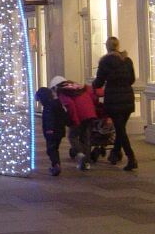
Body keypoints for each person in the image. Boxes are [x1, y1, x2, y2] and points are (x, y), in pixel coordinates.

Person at [93, 36, 137, 170]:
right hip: (128, 99)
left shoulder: (105, 62)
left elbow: (99, 82)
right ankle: (115, 152)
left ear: (107, 47)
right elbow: (132, 79)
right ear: (118, 46)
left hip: (114, 100)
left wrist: (94, 86)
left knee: (120, 130)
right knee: (120, 129)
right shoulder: (127, 60)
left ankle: (131, 158)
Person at [55, 79, 98, 171]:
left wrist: (74, 120)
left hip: (79, 115)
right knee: (86, 138)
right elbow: (93, 97)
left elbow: (70, 104)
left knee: (72, 136)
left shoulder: (62, 91)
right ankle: (86, 163)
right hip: (90, 114)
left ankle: (80, 154)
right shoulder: (79, 87)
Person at [36, 79, 69, 176]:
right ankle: (56, 164)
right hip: (59, 131)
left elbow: (49, 118)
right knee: (55, 148)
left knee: (51, 149)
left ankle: (56, 165)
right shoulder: (57, 103)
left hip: (51, 132)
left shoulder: (48, 107)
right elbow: (64, 116)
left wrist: (49, 129)